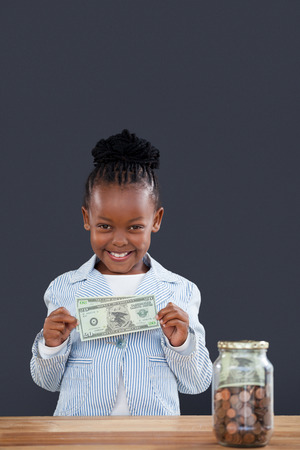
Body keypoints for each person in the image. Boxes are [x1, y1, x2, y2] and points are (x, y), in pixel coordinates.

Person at [30, 129, 212, 416]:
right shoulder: (65, 288)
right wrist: (52, 345)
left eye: (135, 227)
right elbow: (47, 382)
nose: (118, 240)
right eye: (105, 226)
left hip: (155, 441)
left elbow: (197, 383)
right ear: (86, 218)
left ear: (156, 220)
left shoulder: (180, 290)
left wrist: (182, 342)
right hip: (79, 440)